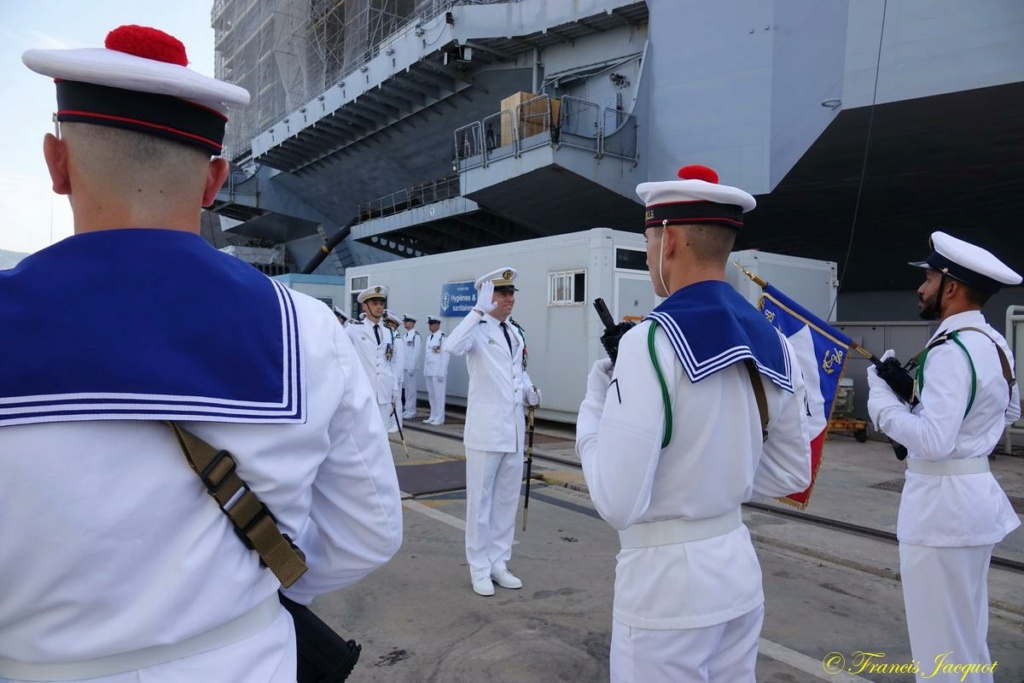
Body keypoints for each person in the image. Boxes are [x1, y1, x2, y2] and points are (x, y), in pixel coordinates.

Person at [0, 25, 402, 682]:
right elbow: (371, 530)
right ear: (214, 180)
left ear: (57, 161)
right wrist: (227, 602)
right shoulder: (306, 329)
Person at [575, 165, 812, 682]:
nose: (646, 254)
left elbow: (616, 501)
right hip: (737, 571)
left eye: (647, 240)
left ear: (671, 242)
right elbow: (793, 474)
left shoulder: (651, 343)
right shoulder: (774, 338)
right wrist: (717, 474)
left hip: (665, 590)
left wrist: (595, 407)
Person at [866, 231, 1021, 683]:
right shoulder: (994, 343)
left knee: (941, 649)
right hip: (975, 503)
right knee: (966, 636)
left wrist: (884, 401)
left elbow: (933, 441)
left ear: (951, 287)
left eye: (930, 278)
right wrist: (916, 396)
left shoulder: (951, 350)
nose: (922, 287)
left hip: (941, 513)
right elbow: (1008, 409)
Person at [444, 268, 541, 596]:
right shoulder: (476, 328)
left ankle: (499, 562)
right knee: (480, 502)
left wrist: (529, 390)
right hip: (486, 430)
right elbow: (451, 346)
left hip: (512, 430)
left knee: (505, 500)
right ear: (488, 296)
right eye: (502, 293)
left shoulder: (514, 331)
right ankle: (479, 567)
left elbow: (517, 371)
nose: (509, 299)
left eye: (512, 292)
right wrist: (476, 310)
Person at [346, 286, 400, 433]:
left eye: (381, 304)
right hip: (363, 389)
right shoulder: (353, 330)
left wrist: (394, 388)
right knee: (363, 432)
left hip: (384, 389)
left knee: (383, 432)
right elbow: (345, 361)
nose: (379, 307)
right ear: (365, 306)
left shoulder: (389, 332)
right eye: (374, 304)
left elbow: (391, 362)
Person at [423, 316, 450, 425]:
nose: (430, 326)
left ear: (438, 324)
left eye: (432, 324)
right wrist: (425, 370)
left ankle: (440, 417)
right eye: (429, 324)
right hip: (429, 371)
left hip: (438, 371)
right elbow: (427, 355)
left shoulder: (442, 337)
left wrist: (442, 371)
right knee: (432, 395)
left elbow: (445, 355)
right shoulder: (430, 337)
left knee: (439, 395)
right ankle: (433, 415)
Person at [401, 315, 423, 420]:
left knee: (412, 390)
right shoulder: (405, 335)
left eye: (407, 321)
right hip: (405, 366)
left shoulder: (416, 336)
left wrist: (412, 366)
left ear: (412, 323)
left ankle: (412, 410)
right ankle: (407, 408)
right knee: (407, 389)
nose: (405, 323)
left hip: (411, 367)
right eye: (405, 322)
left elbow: (416, 352)